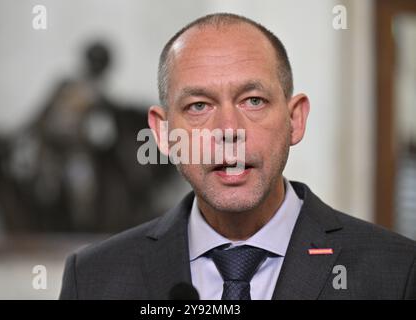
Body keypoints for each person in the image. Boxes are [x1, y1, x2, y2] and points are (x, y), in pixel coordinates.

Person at [59, 13, 416, 300]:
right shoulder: (93, 279)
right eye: (198, 105)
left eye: (253, 101)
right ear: (164, 134)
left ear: (295, 119)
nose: (228, 129)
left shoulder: (397, 272)